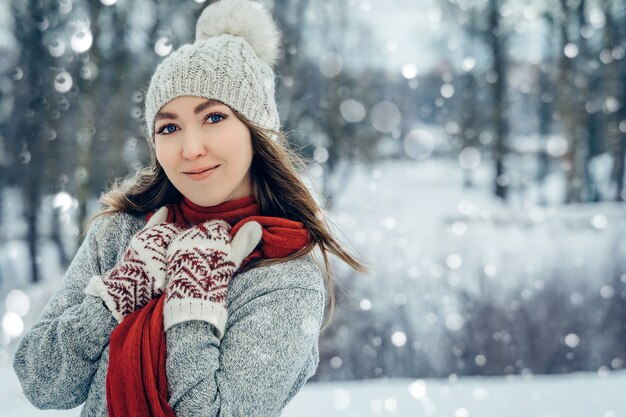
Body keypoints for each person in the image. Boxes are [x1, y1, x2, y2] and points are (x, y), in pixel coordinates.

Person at [12, 0, 367, 415]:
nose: (191, 149)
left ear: (256, 129)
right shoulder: (125, 232)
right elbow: (41, 381)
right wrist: (115, 296)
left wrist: (193, 303)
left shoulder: (284, 277)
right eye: (169, 127)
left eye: (213, 118)